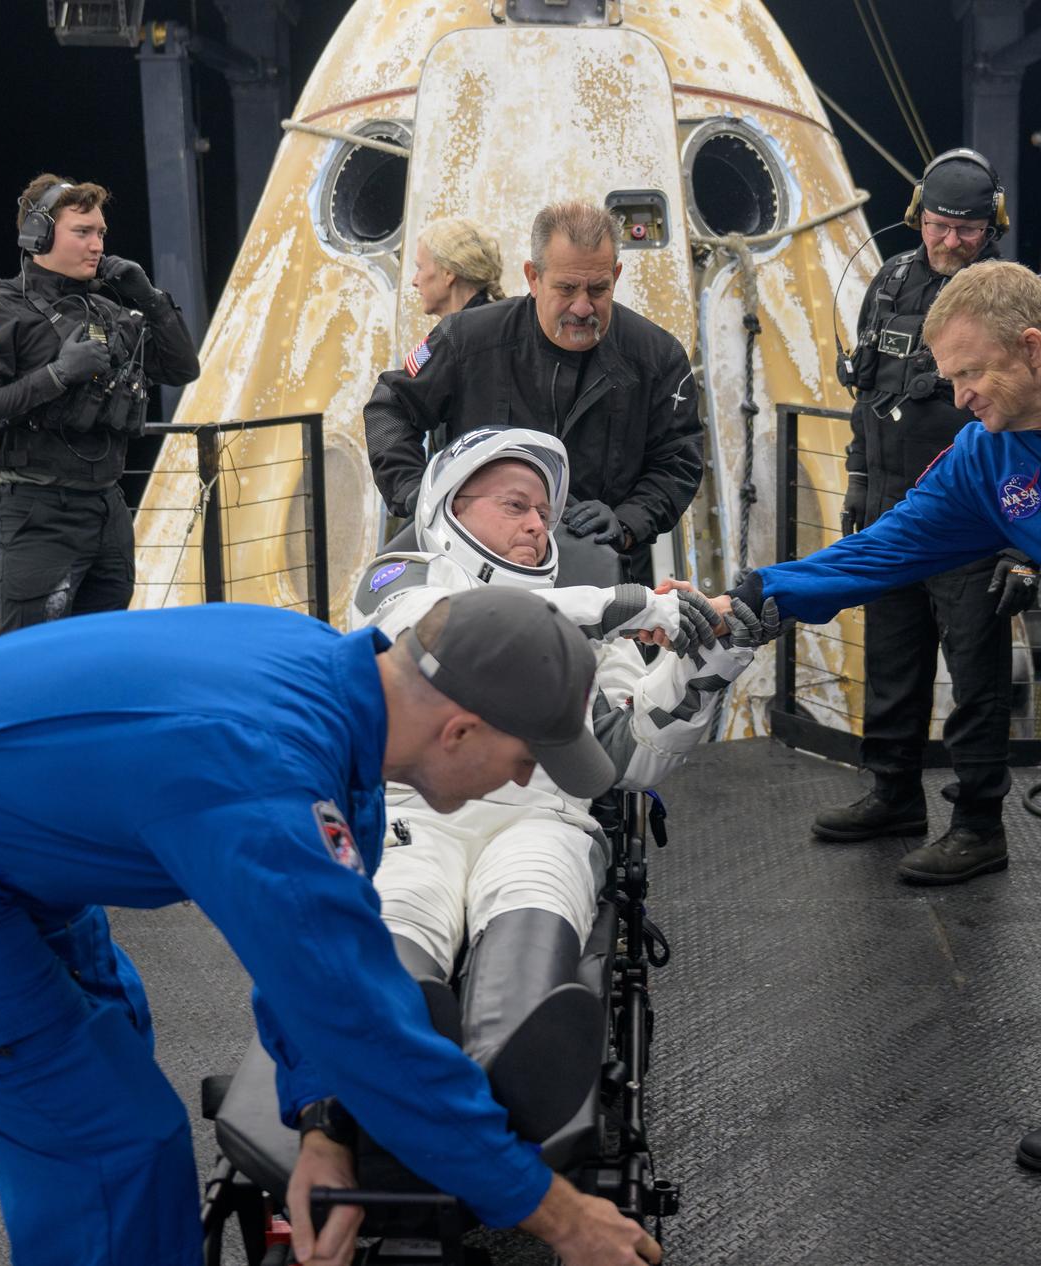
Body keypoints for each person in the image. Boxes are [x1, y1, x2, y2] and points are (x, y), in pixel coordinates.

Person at [0, 589, 664, 1266]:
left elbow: (316, 942)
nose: (517, 785)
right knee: (109, 1141)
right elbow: (355, 1017)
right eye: (520, 761)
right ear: (461, 729)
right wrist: (552, 1212)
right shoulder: (259, 768)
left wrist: (322, 1125)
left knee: (118, 1030)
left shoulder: (336, 681)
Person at [713, 260, 1041, 1172]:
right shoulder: (988, 459)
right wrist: (757, 597)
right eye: (948, 380)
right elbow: (887, 547)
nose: (957, 395)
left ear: (1034, 347)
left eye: (969, 374)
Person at [352, 427, 751, 1100]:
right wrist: (622, 605)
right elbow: (446, 626)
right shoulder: (397, 579)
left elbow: (627, 752)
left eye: (544, 512)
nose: (538, 525)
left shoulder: (590, 622)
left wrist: (704, 664)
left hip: (541, 815)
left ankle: (514, 1048)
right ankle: (391, 1050)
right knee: (405, 901)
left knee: (536, 894)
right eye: (515, 505)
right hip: (410, 812)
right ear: (449, 507)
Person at [820, 147, 1039, 885]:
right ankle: (893, 794)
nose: (951, 242)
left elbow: (1038, 425)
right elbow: (865, 397)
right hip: (891, 511)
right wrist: (858, 487)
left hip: (974, 526)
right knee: (892, 661)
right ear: (919, 217)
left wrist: (1022, 544)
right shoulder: (886, 286)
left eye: (969, 230)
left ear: (993, 227)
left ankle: (979, 826)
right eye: (942, 226)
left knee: (976, 680)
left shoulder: (1011, 304)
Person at [364, 200, 703, 583]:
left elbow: (678, 460)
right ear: (533, 277)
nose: (581, 306)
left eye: (598, 288)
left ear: (616, 275)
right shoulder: (466, 340)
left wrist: (628, 522)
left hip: (601, 577)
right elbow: (390, 406)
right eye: (566, 287)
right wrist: (417, 492)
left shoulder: (657, 358)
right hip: (470, 577)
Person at [0, 173, 200, 631]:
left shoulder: (108, 308)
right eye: (82, 232)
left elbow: (183, 370)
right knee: (32, 656)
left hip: (107, 508)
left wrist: (151, 299)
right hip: (40, 509)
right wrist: (59, 375)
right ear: (38, 235)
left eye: (100, 232)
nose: (97, 244)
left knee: (100, 648)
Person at [411, 216, 506, 319]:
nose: (414, 282)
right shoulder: (499, 322)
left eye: (420, 268)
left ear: (448, 273)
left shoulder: (468, 331)